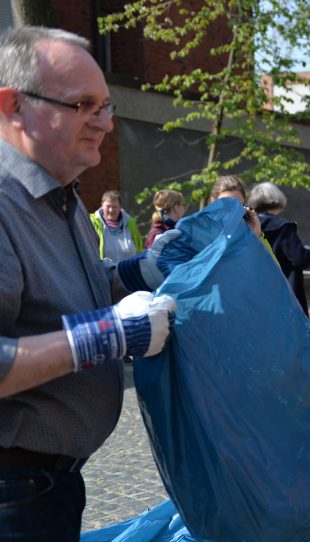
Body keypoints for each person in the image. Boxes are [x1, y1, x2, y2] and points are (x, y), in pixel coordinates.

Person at [0, 26, 176, 540]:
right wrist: (105, 335)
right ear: (13, 106)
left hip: (45, 486)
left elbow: (65, 288)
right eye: (83, 105)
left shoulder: (59, 190)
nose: (104, 124)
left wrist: (136, 271)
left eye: (107, 107)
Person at [248, 181, 310, 316]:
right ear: (277, 199)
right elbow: (300, 259)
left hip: (258, 293)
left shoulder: (248, 227)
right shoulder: (283, 227)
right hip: (287, 294)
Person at [90, 190, 144, 262]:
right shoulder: (92, 223)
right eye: (108, 206)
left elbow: (140, 249)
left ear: (120, 207)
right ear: (102, 205)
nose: (111, 210)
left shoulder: (130, 224)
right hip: (104, 272)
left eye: (114, 206)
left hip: (128, 272)